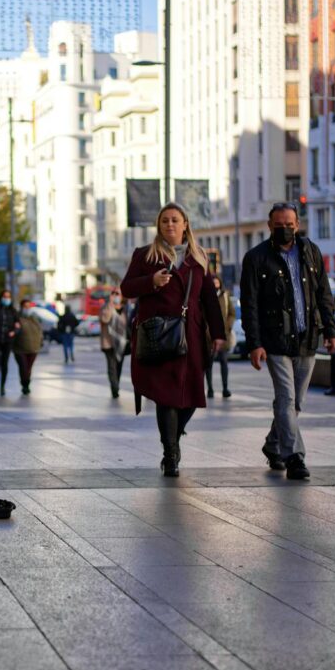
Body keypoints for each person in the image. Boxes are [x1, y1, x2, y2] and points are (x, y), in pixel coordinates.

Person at [121, 203, 226, 477]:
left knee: (190, 397)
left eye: (174, 220)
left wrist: (218, 334)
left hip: (190, 336)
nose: (169, 225)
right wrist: (151, 281)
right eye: (165, 220)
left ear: (185, 224)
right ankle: (170, 454)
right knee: (166, 398)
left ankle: (174, 438)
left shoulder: (198, 257)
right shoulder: (145, 255)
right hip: (158, 335)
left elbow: (210, 300)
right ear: (159, 225)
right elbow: (126, 288)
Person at [240, 202, 335, 481]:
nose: (285, 228)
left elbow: (323, 294)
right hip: (274, 341)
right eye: (279, 224)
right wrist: (255, 343)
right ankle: (294, 457)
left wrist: (330, 331)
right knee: (286, 397)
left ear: (298, 224)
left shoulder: (311, 252)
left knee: (296, 402)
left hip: (307, 338)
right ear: (270, 226)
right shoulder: (256, 258)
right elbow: (250, 306)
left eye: (290, 224)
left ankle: (273, 445)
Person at [205, 277, 237, 399]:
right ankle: (210, 389)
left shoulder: (225, 296)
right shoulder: (206, 296)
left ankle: (225, 388)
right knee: (209, 364)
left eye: (217, 282)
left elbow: (232, 313)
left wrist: (228, 325)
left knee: (224, 361)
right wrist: (207, 331)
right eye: (213, 283)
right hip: (209, 337)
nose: (216, 285)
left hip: (224, 335)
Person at [99, 288, 128, 399]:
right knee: (112, 367)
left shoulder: (125, 309)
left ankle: (116, 384)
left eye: (117, 294)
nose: (115, 295)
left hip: (121, 343)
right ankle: (114, 389)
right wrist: (110, 304)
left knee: (118, 367)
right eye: (113, 293)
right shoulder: (105, 307)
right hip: (108, 344)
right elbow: (105, 319)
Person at [14, 299, 44, 395]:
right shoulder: (17, 318)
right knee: (23, 367)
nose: (27, 308)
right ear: (22, 307)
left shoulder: (34, 318)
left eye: (29, 306)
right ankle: (25, 384)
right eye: (25, 306)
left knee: (29, 368)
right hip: (20, 348)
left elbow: (40, 330)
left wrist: (40, 341)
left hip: (33, 347)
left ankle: (27, 384)